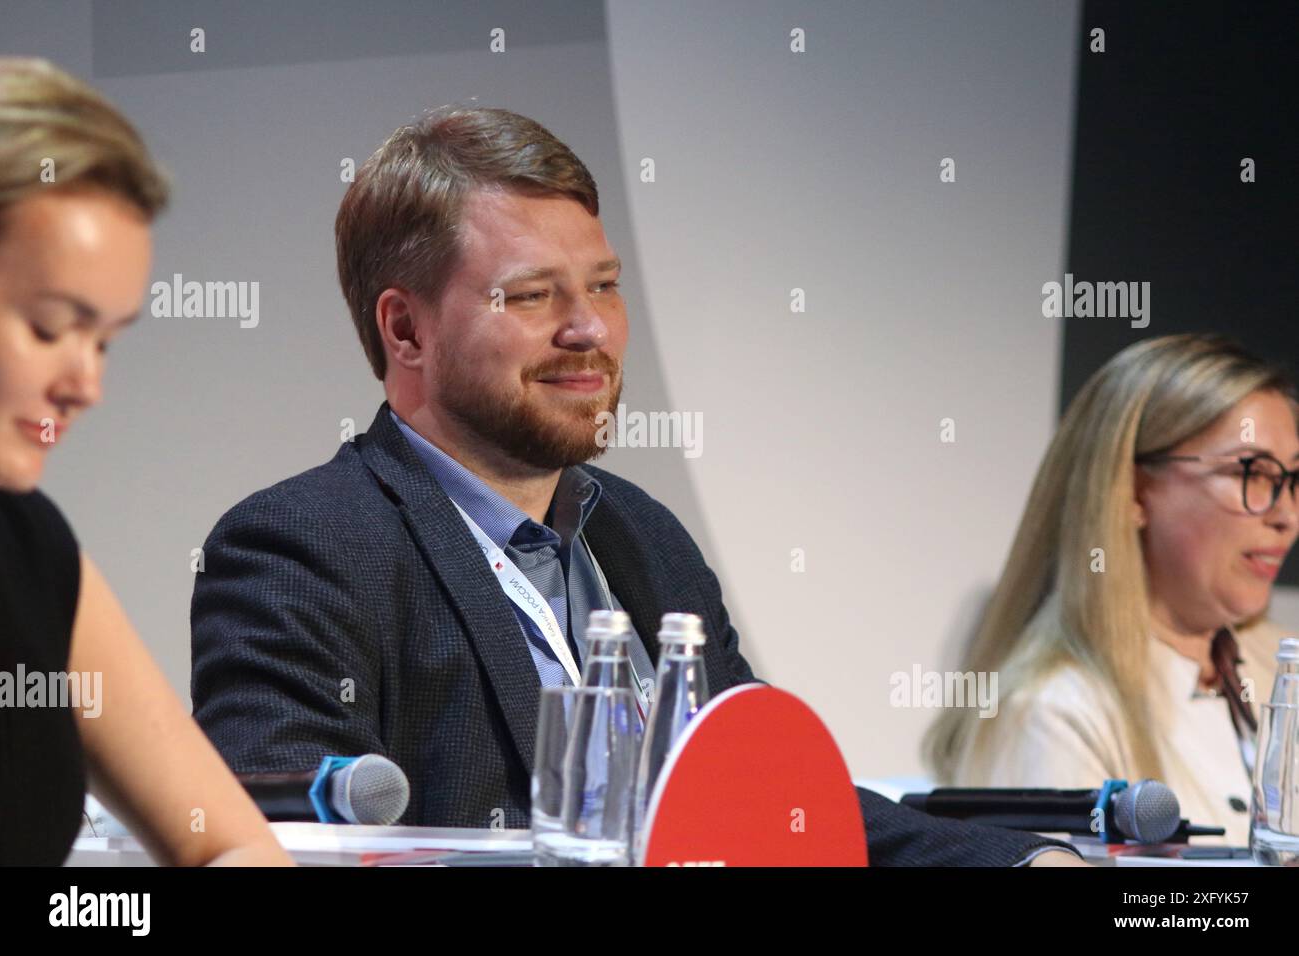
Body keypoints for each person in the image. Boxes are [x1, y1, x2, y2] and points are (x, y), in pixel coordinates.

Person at [190, 105, 1083, 865]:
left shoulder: (643, 537)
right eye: (533, 295)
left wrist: (1025, 862)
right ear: (406, 329)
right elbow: (302, 842)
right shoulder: (300, 546)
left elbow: (778, 804)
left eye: (606, 286)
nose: (591, 329)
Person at [0, 57, 291, 866]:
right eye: (53, 328)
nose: (85, 385)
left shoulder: (31, 550)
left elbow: (230, 846)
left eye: (107, 342)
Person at [925, 333, 1299, 846]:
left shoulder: (1280, 673)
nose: (1287, 516)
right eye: (1250, 472)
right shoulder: (1055, 713)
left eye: (1293, 479)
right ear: (1133, 491)